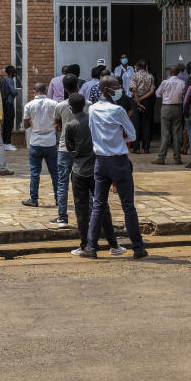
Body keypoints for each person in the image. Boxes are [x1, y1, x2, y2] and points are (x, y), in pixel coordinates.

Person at [80, 76, 148, 259]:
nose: (120, 89)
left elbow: (94, 133)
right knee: (128, 206)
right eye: (117, 87)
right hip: (119, 161)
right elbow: (132, 136)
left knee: (98, 205)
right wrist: (119, 138)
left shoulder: (92, 109)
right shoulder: (118, 110)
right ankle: (138, 247)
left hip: (100, 161)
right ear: (108, 90)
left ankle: (91, 247)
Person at [63, 94, 126, 256]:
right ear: (85, 105)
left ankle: (85, 244)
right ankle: (113, 244)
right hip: (97, 168)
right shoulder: (93, 121)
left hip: (79, 170)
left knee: (81, 210)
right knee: (102, 207)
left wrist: (75, 154)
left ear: (70, 107)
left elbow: (69, 147)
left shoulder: (71, 125)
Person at [22, 83, 59, 208]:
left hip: (36, 142)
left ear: (34, 92)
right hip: (50, 142)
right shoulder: (54, 104)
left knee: (35, 173)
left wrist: (32, 123)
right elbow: (58, 123)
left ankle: (34, 199)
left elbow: (26, 125)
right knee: (55, 172)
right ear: (46, 91)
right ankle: (59, 199)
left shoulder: (29, 105)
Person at [52, 74, 81, 228]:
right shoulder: (88, 104)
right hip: (82, 148)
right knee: (86, 183)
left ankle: (62, 217)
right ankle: (87, 215)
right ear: (78, 86)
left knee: (62, 183)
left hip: (64, 148)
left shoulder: (60, 106)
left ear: (64, 88)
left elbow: (57, 126)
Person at [153, 64, 187, 165]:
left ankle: (161, 157)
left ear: (170, 73)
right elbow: (184, 95)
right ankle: (177, 158)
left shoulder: (165, 82)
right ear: (178, 73)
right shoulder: (182, 83)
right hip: (177, 108)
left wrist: (165, 96)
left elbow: (157, 93)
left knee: (165, 134)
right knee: (176, 133)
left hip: (166, 107)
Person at [130, 60, 156, 153]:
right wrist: (142, 99)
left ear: (138, 66)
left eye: (135, 65)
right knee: (146, 124)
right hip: (147, 101)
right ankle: (146, 148)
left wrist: (137, 100)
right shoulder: (150, 76)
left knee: (136, 124)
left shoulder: (134, 75)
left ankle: (136, 148)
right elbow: (152, 90)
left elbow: (133, 89)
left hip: (136, 101)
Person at [0, 65, 18, 150]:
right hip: (8, 105)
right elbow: (13, 91)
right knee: (8, 124)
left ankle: (6, 143)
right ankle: (7, 143)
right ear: (11, 72)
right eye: (14, 71)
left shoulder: (8, 80)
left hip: (6, 104)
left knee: (7, 123)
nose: (15, 73)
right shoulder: (9, 80)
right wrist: (16, 92)